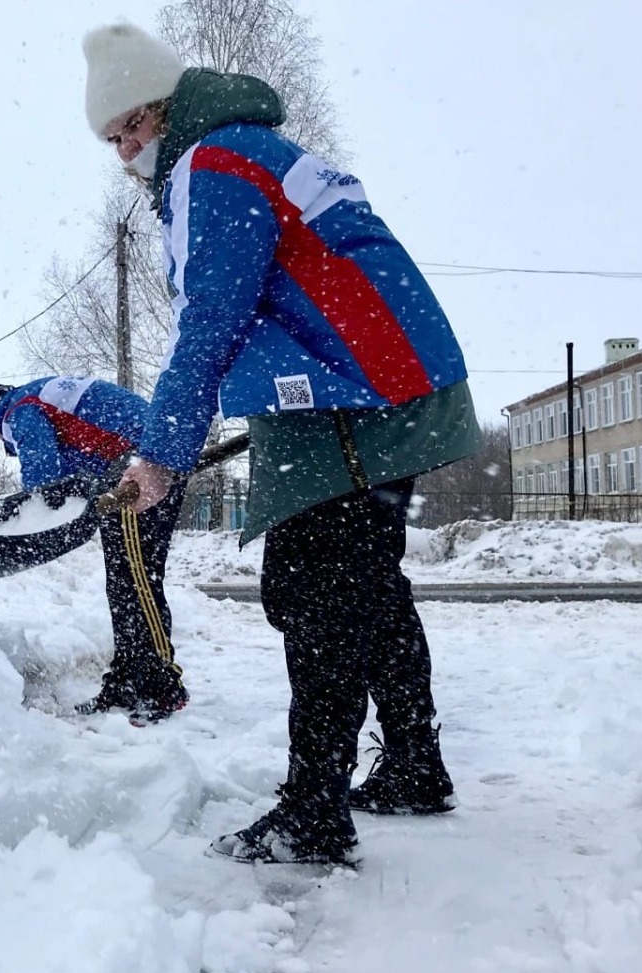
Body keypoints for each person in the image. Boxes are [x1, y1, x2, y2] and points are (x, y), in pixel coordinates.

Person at [80, 23, 482, 864]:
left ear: (163, 107)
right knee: (366, 583)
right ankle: (412, 761)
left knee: (314, 587)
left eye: (130, 128)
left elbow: (212, 319)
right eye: (111, 138)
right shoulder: (256, 148)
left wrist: (161, 451)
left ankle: (313, 811)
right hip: (390, 381)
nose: (124, 153)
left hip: (348, 390)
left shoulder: (214, 162)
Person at [0, 375, 190, 725]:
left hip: (139, 466)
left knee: (138, 582)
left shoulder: (17, 411)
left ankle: (162, 686)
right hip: (140, 460)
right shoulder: (38, 398)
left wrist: (28, 517)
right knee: (123, 584)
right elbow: (75, 470)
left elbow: (44, 474)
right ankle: (127, 682)